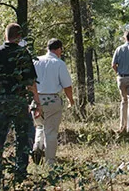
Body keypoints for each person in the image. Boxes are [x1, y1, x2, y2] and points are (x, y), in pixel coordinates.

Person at [0, 23, 41, 183]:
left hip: (0, 100)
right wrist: (37, 102)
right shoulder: (23, 54)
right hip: (18, 101)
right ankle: (20, 174)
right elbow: (31, 82)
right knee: (22, 137)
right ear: (19, 36)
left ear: (6, 36)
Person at [31, 38, 75, 166]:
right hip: (52, 100)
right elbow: (67, 86)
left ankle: (37, 145)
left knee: (40, 126)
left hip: (36, 99)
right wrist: (70, 100)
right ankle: (50, 163)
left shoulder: (35, 61)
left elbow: (29, 82)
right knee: (51, 131)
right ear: (58, 49)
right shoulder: (59, 63)